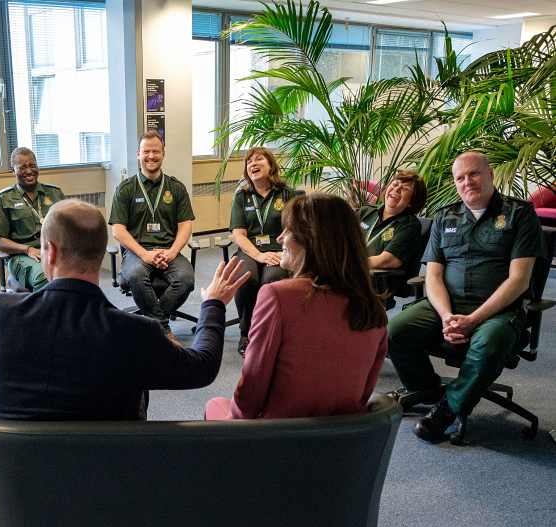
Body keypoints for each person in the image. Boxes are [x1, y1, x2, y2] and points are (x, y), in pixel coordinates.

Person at [0, 199, 249, 420]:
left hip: (20, 491)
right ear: (103, 252)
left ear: (49, 251)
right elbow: (202, 368)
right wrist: (213, 305)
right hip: (110, 491)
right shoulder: (135, 333)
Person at [388, 152, 544, 444]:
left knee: (489, 342)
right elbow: (433, 276)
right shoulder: (445, 216)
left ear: (490, 175)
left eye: (473, 174)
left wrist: (473, 320)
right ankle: (427, 388)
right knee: (395, 332)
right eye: (460, 178)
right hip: (446, 305)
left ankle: (447, 409)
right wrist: (447, 315)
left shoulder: (519, 214)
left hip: (497, 310)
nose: (467, 182)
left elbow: (519, 280)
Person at [205, 193, 388, 420]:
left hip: (276, 439)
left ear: (311, 240)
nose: (280, 238)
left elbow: (249, 396)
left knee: (215, 405)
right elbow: (362, 396)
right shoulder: (374, 308)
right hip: (343, 443)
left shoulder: (277, 296)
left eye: (287, 231)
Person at [108, 130, 195, 337]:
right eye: (146, 151)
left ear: (163, 153)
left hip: (168, 252)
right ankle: (163, 328)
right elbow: (118, 230)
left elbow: (185, 225)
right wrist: (145, 254)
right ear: (138, 154)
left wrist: (173, 252)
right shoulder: (126, 189)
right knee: (136, 275)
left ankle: (152, 323)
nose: (151, 156)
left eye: (156, 151)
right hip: (138, 253)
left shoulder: (176, 188)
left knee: (186, 279)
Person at [228, 147, 298, 355]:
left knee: (272, 280)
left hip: (279, 250)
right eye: (249, 162)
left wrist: (284, 250)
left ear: (271, 166)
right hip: (250, 250)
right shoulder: (242, 196)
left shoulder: (287, 194)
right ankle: (246, 332)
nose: (253, 164)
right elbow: (238, 234)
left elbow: (296, 227)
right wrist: (258, 255)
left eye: (259, 160)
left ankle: (268, 331)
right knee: (245, 277)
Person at [0, 147, 66, 292]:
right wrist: (28, 249)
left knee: (81, 274)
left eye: (32, 166)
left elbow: (69, 228)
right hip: (22, 256)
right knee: (45, 278)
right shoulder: (3, 198)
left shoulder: (54, 193)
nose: (29, 171)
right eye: (22, 167)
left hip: (55, 251)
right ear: (13, 171)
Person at [357, 170, 427, 308]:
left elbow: (388, 260)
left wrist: (349, 264)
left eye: (404, 189)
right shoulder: (366, 212)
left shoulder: (409, 225)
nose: (396, 189)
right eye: (394, 184)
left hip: (375, 286)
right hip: (352, 275)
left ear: (412, 201)